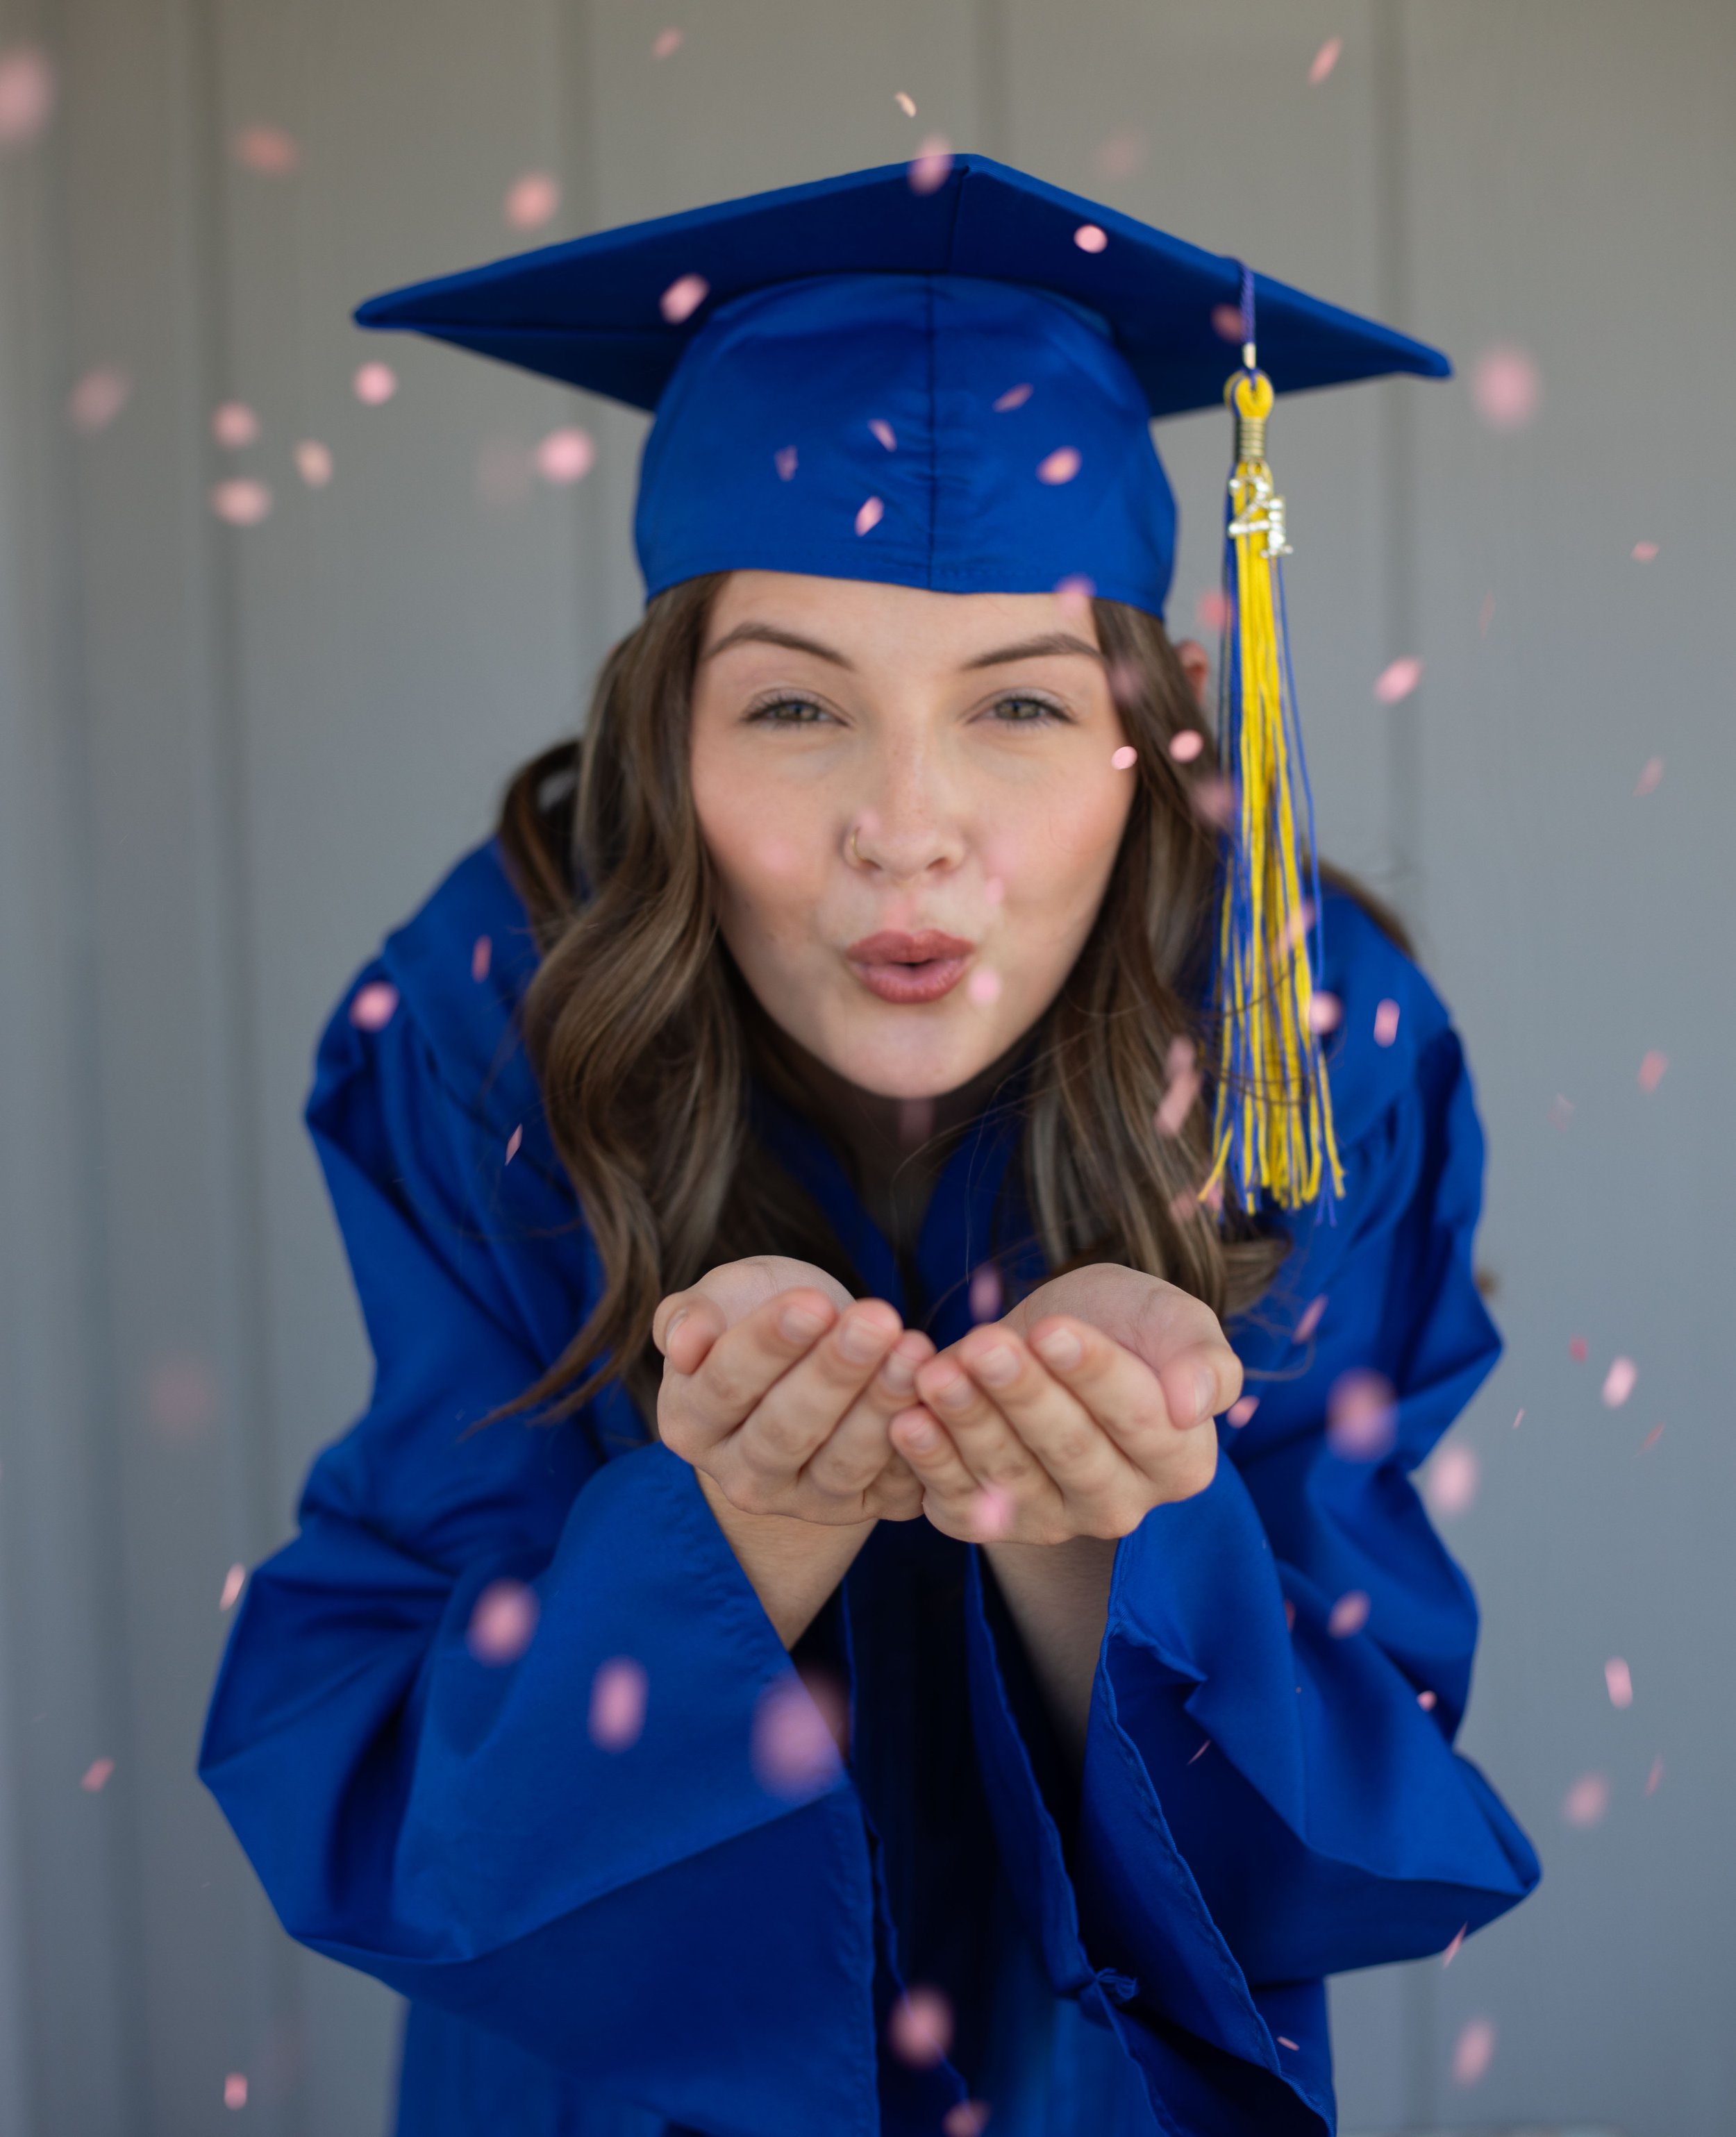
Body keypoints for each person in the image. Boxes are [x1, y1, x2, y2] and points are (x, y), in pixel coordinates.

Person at [200, 157, 1539, 2137]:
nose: (905, 829)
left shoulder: (1302, 1047)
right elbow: (408, 1797)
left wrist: (1101, 1526)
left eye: (1014, 702)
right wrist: (723, 1534)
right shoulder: (492, 1032)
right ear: (669, 739)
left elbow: (1341, 1809)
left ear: (1157, 730)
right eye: (795, 709)